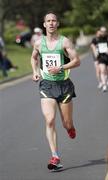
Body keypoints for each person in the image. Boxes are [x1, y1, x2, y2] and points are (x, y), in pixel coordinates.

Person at [31, 11, 80, 170]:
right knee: (50, 120)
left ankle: (70, 128)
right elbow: (34, 58)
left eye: (54, 21)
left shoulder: (64, 42)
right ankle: (55, 156)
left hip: (64, 85)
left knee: (66, 123)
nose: (51, 23)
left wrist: (61, 67)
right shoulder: (39, 43)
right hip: (47, 85)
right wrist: (35, 71)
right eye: (48, 21)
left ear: (57, 24)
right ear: (44, 24)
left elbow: (77, 61)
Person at [91, 26, 108, 92]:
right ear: (100, 31)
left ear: (106, 32)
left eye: (104, 31)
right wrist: (95, 51)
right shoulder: (97, 38)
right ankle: (104, 85)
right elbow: (92, 45)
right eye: (102, 31)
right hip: (100, 57)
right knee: (102, 70)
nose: (103, 32)